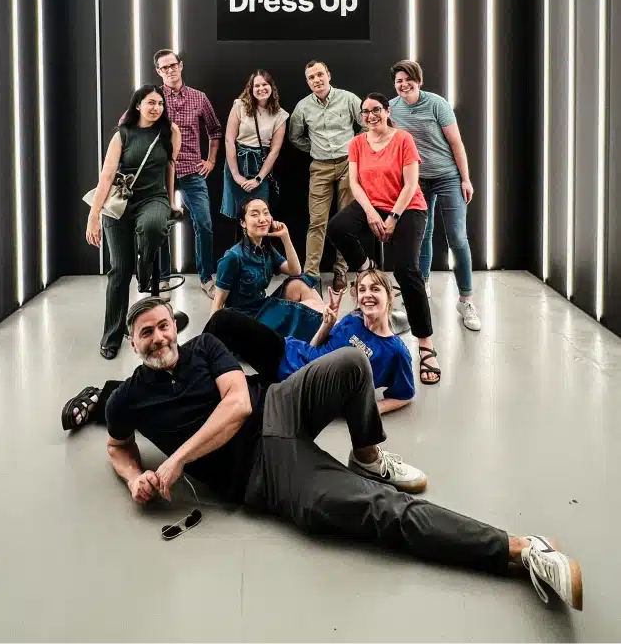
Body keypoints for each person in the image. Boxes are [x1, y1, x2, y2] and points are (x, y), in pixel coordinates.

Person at [60, 296, 583, 614]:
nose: (159, 337)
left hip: (276, 405)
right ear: (133, 343)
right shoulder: (128, 400)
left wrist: (175, 461)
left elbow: (239, 404)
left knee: (352, 361)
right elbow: (118, 447)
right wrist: (133, 477)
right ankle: (522, 549)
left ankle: (367, 454)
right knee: (382, 509)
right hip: (263, 473)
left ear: (175, 327)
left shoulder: (204, 348)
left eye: (163, 326)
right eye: (146, 333)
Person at [327, 93, 441, 386]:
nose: (370, 116)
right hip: (373, 205)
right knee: (338, 227)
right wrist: (370, 213)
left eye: (376, 110)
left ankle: (426, 344)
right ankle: (367, 268)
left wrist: (393, 217)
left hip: (408, 207)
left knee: (406, 270)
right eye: (365, 112)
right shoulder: (357, 143)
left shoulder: (403, 139)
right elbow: (355, 184)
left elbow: (411, 184)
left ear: (387, 111)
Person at [205, 268, 414, 414]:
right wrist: (326, 325)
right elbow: (315, 347)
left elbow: (404, 395)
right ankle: (192, 366)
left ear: (389, 297)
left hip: (306, 387)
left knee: (232, 393)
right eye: (362, 290)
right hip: (288, 355)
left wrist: (370, 409)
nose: (367, 295)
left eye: (375, 289)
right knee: (224, 320)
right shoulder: (353, 320)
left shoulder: (396, 351)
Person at [86, 85, 181, 359]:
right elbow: (106, 176)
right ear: (138, 105)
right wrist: (94, 215)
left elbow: (170, 167)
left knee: (152, 227)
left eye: (160, 104)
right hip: (120, 203)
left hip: (154, 198)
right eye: (151, 103)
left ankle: (144, 266)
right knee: (119, 271)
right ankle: (112, 337)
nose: (156, 108)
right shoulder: (122, 134)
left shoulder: (170, 132)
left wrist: (171, 201)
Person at [389, 60, 481, 331]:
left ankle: (466, 300)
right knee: (423, 234)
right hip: (417, 180)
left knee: (457, 238)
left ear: (418, 80)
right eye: (398, 81)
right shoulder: (392, 108)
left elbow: (456, 143)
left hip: (447, 176)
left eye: (408, 79)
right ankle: (423, 284)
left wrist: (465, 178)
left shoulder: (437, 104)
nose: (404, 84)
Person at [153, 49, 222, 300]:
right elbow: (128, 123)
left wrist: (211, 160)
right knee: (160, 226)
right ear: (158, 71)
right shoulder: (154, 98)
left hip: (193, 171)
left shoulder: (199, 97)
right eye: (164, 67)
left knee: (204, 224)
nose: (170, 70)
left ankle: (206, 278)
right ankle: (162, 278)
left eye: (173, 65)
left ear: (180, 65)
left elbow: (215, 130)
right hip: (162, 173)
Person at [288, 60, 361, 293]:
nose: (316, 80)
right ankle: (311, 274)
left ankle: (341, 270)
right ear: (307, 82)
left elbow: (366, 125)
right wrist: (315, 149)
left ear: (328, 75)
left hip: (348, 165)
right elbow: (295, 136)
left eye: (320, 74)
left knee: (345, 221)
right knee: (317, 222)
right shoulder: (302, 107)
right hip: (319, 167)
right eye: (311, 77)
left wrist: (356, 148)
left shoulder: (348, 99)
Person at [212, 197, 325, 342]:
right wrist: (212, 341)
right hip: (246, 321)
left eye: (266, 213)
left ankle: (328, 324)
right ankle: (330, 329)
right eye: (254, 214)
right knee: (309, 308)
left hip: (262, 306)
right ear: (243, 223)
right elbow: (218, 302)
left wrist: (285, 237)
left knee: (300, 283)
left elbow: (295, 271)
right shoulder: (232, 257)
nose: (262, 219)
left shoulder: (266, 249)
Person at [221, 71, 288, 219]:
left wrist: (259, 178)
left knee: (260, 213)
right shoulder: (240, 106)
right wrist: (236, 175)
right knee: (239, 215)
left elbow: (274, 151)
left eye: (265, 84)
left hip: (260, 165)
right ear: (251, 89)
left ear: (271, 87)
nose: (261, 88)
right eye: (257, 85)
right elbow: (229, 140)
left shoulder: (280, 115)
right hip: (237, 162)